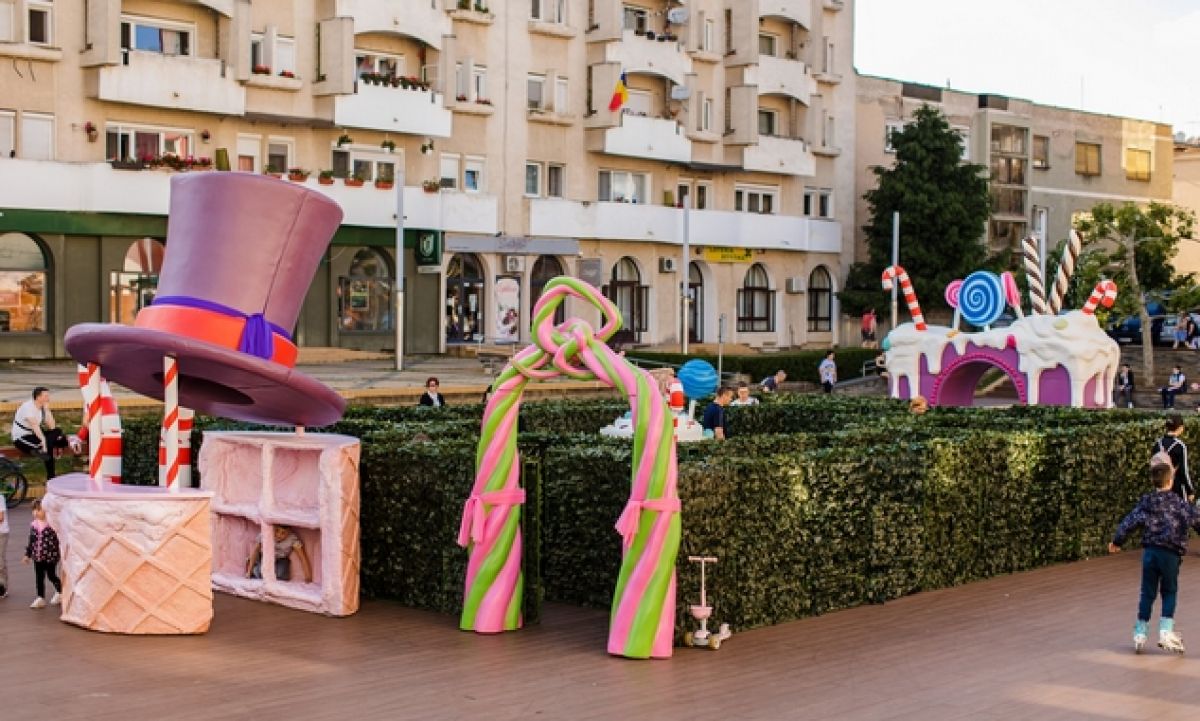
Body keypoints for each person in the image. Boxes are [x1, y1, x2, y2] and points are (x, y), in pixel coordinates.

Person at [1108, 461, 1200, 654]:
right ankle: (1165, 631)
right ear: (1171, 481)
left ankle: (1140, 632)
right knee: (1169, 591)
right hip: (1171, 554)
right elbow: (1196, 520)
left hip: (1150, 552)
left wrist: (1117, 541)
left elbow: (1129, 522)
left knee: (1147, 592)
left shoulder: (1146, 502)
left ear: (1153, 481)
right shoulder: (1179, 504)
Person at [11, 386, 68, 479]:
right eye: (46, 396)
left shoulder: (42, 407)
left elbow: (52, 427)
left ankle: (46, 447)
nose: (48, 398)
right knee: (49, 446)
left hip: (35, 434)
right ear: (38, 397)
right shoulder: (27, 407)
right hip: (22, 438)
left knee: (58, 431)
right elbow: (35, 426)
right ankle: (51, 476)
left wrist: (47, 410)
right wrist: (44, 442)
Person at [22, 500, 60, 609]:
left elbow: (58, 540)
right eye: (34, 510)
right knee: (39, 576)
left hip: (50, 556)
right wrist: (28, 554)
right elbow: (32, 540)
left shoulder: (52, 525)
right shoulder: (34, 525)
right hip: (37, 556)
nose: (35, 512)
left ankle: (60, 591)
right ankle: (40, 597)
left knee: (51, 575)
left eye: (39, 510)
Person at [246, 525, 313, 583]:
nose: (278, 535)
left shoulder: (292, 539)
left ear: (289, 532)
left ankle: (257, 569)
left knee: (281, 575)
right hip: (265, 557)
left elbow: (302, 557)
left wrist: (308, 576)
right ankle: (253, 565)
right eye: (277, 530)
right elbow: (255, 551)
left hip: (281, 559)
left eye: (283, 533)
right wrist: (249, 571)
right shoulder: (266, 533)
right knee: (260, 573)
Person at [1152, 415, 1195, 502]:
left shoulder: (1158, 444)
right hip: (1176, 487)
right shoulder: (1180, 446)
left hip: (1160, 486)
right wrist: (1190, 491)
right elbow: (1183, 471)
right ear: (1180, 428)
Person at [0, 491, 7, 599]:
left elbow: (1, 517)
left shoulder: (0, 497)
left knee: (0, 560)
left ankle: (3, 588)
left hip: (1, 533)